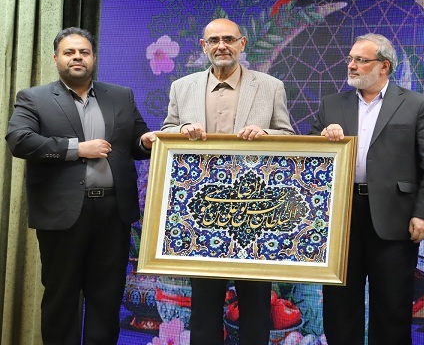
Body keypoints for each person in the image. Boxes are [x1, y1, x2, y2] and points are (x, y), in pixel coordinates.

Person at [5, 27, 155, 344]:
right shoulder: (33, 98)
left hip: (114, 213)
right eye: (69, 52)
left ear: (93, 58)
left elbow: (136, 142)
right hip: (62, 214)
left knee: (107, 299)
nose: (77, 57)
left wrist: (146, 141)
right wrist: (76, 149)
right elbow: (19, 141)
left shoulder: (121, 95)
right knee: (61, 299)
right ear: (56, 58)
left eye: (84, 52)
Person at [161, 18, 294, 344]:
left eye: (229, 39)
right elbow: (166, 132)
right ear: (204, 46)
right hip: (203, 212)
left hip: (255, 212)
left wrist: (266, 134)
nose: (222, 46)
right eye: (214, 40)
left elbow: (289, 139)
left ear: (242, 43)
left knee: (256, 306)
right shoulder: (182, 87)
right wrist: (182, 130)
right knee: (204, 307)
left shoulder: (270, 86)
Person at [309, 33, 424, 344]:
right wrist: (322, 138)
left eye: (361, 60)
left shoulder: (416, 104)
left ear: (384, 66)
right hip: (342, 219)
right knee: (339, 308)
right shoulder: (332, 104)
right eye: (351, 59)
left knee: (392, 306)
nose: (351, 65)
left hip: (395, 216)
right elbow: (310, 158)